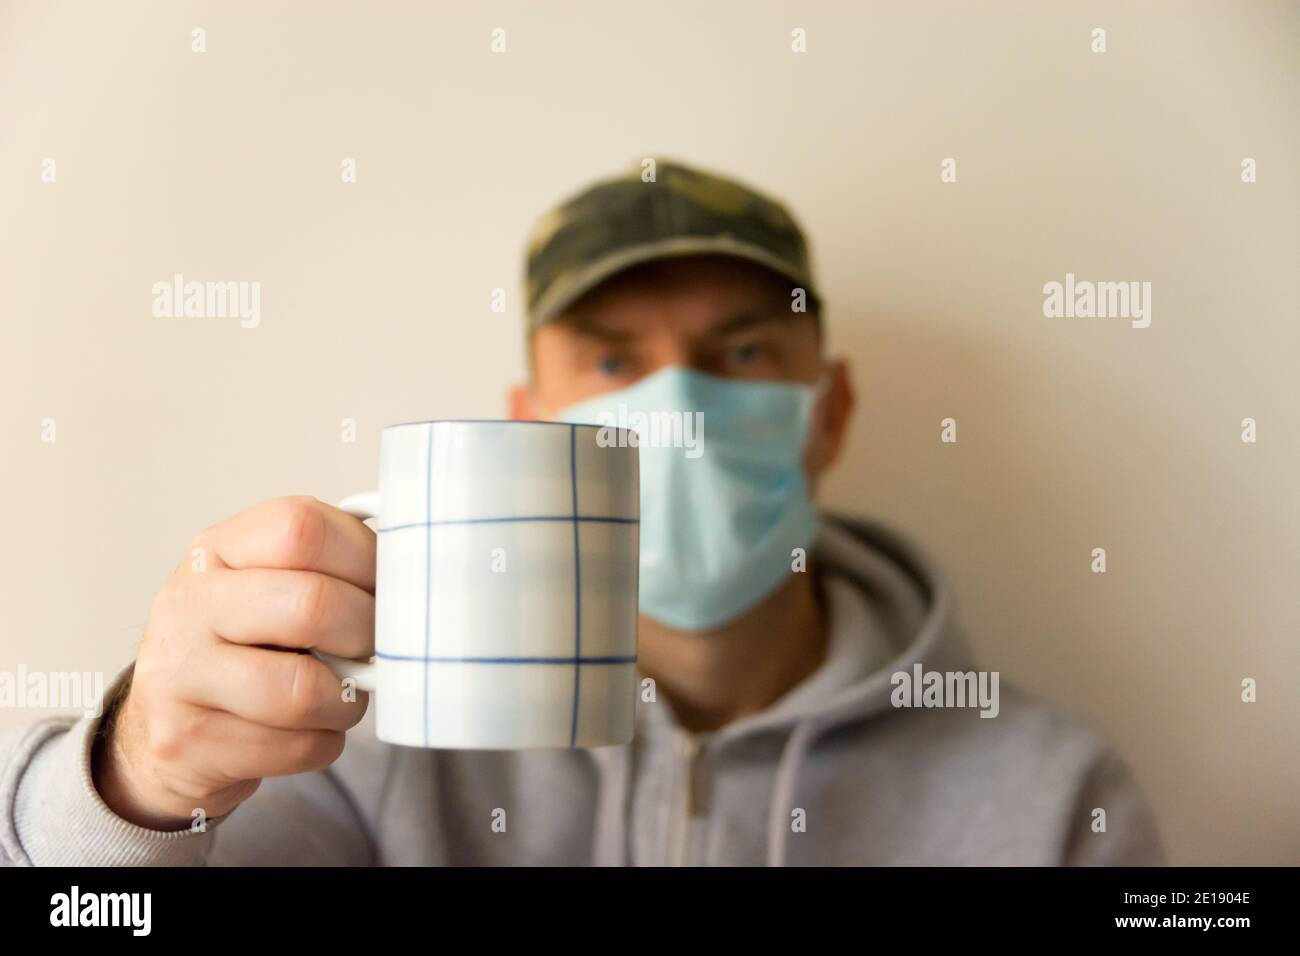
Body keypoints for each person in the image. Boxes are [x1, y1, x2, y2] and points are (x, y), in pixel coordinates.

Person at [0, 159, 1165, 865]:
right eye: (613, 360)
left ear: (830, 407)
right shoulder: (370, 753)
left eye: (743, 348)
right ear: (531, 417)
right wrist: (132, 781)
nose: (682, 407)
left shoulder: (1049, 793)